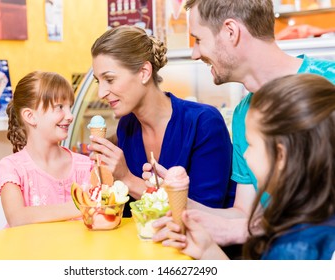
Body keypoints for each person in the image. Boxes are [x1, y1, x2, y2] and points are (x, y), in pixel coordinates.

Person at [147, 0, 335, 246]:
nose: (194, 53)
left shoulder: (328, 84)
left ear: (231, 32)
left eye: (199, 39)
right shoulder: (242, 114)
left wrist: (247, 231)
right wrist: (176, 197)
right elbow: (246, 214)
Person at [163, 74, 335, 259]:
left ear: (281, 155)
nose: (245, 154)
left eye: (251, 144)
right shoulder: (316, 218)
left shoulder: (292, 248)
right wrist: (207, 251)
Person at [89, 25, 235, 217]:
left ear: (144, 72)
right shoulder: (127, 126)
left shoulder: (203, 123)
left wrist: (127, 179)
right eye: (99, 82)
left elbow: (206, 214)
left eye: (110, 79)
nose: (101, 93)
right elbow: (132, 214)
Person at [0, 71, 92, 227]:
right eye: (60, 107)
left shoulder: (86, 166)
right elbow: (17, 218)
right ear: (30, 116)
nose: (70, 116)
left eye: (70, 107)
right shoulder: (12, 167)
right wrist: (79, 206)